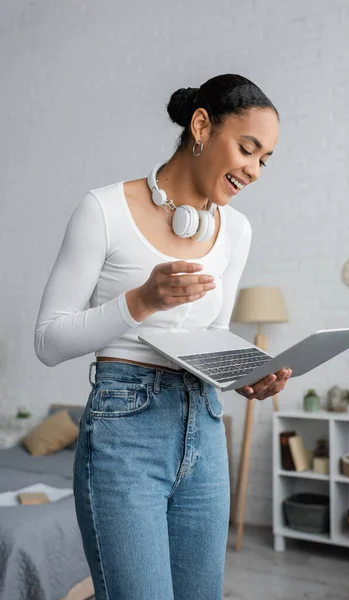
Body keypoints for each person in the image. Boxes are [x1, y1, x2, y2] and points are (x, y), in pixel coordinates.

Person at [34, 73, 291, 600]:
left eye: (265, 159)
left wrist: (244, 375)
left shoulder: (236, 231)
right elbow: (48, 341)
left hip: (205, 426)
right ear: (201, 125)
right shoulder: (103, 210)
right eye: (248, 148)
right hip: (125, 430)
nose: (255, 170)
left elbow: (211, 335)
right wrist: (141, 301)